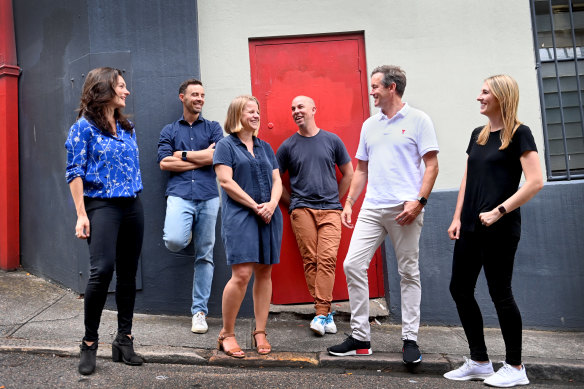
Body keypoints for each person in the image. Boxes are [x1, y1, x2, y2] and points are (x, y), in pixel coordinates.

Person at [327, 65, 439, 365]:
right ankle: (361, 338)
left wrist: (419, 201)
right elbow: (361, 169)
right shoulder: (369, 125)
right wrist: (350, 201)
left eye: (376, 86)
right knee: (352, 264)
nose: (372, 91)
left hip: (406, 208)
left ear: (392, 87)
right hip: (372, 207)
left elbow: (431, 165)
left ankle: (410, 339)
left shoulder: (419, 120)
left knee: (408, 273)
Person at [443, 75, 543, 387]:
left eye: (485, 92)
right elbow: (467, 178)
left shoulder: (520, 134)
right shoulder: (479, 135)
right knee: (459, 289)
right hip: (471, 225)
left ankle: (515, 366)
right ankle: (479, 361)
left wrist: (499, 211)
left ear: (501, 96)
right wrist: (457, 216)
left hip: (500, 228)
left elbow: (536, 181)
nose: (479, 97)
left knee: (500, 292)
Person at [65, 67, 144, 375]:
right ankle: (89, 342)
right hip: (102, 205)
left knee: (128, 274)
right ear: (103, 90)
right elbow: (75, 171)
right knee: (102, 271)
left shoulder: (127, 127)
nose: (127, 92)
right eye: (121, 87)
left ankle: (124, 339)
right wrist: (81, 214)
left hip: (133, 205)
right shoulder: (83, 127)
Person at [212, 95, 283, 358]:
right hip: (242, 215)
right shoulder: (225, 146)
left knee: (265, 273)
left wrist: (272, 205)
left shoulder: (265, 147)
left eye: (257, 111)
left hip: (269, 215)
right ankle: (227, 334)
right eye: (249, 111)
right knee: (241, 274)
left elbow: (277, 180)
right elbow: (226, 182)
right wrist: (256, 206)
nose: (256, 115)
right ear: (236, 115)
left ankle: (260, 331)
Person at [276, 95, 353, 336]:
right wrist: (294, 204)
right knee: (311, 260)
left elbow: (348, 174)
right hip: (302, 211)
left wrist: (336, 200)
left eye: (300, 107)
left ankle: (321, 313)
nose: (296, 111)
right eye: (292, 108)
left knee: (327, 259)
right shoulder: (288, 146)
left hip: (331, 209)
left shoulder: (332, 140)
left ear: (313, 109)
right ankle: (324, 314)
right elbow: (275, 180)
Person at [157, 79, 224, 334]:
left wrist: (182, 155)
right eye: (194, 94)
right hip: (180, 195)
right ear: (182, 97)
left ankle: (199, 311)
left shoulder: (214, 128)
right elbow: (164, 163)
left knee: (205, 254)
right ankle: (187, 230)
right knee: (174, 241)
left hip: (208, 197)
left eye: (203, 95)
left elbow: (217, 156)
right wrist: (201, 158)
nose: (200, 98)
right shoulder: (169, 131)